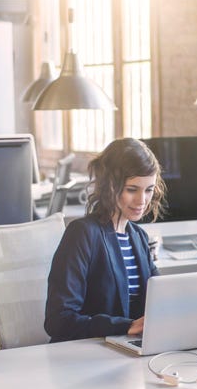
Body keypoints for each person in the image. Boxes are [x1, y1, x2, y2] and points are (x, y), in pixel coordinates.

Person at [44, 138, 165, 342]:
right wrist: (126, 326)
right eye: (132, 189)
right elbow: (58, 321)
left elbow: (161, 296)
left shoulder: (138, 237)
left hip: (125, 351)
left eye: (149, 189)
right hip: (85, 355)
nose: (142, 200)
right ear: (109, 186)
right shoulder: (82, 234)